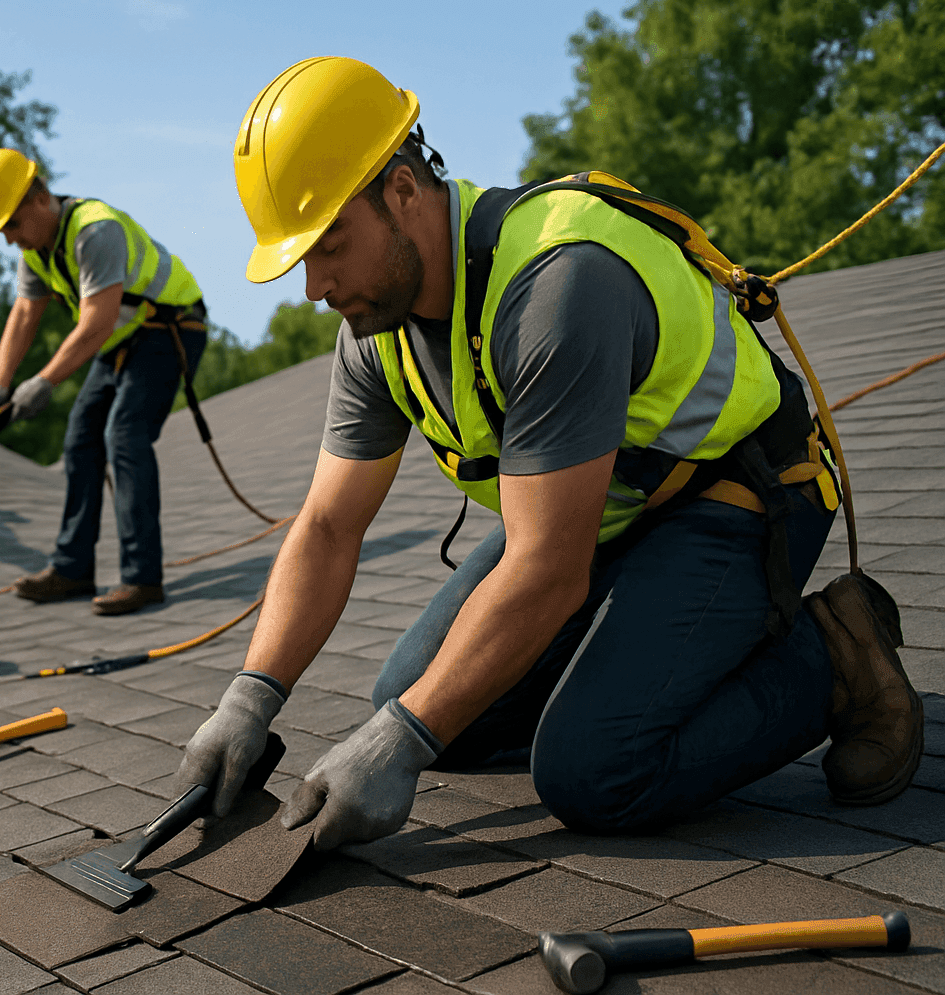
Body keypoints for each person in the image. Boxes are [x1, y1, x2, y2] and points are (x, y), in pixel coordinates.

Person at [179, 56, 922, 850]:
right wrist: (250, 699)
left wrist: (400, 743)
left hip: (736, 493)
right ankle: (645, 667)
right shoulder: (376, 333)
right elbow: (328, 527)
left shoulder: (556, 288)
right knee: (417, 697)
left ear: (401, 188)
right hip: (602, 509)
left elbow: (546, 569)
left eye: (330, 243)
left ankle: (835, 659)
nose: (315, 285)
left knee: (591, 770)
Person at [0, 148, 208, 616]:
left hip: (171, 327)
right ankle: (72, 568)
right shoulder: (35, 251)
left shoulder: (96, 230)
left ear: (39, 199)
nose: (10, 240)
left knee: (125, 434)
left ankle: (143, 578)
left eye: (12, 225)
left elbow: (97, 320)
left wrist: (43, 381)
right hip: (123, 337)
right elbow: (23, 315)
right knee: (80, 439)